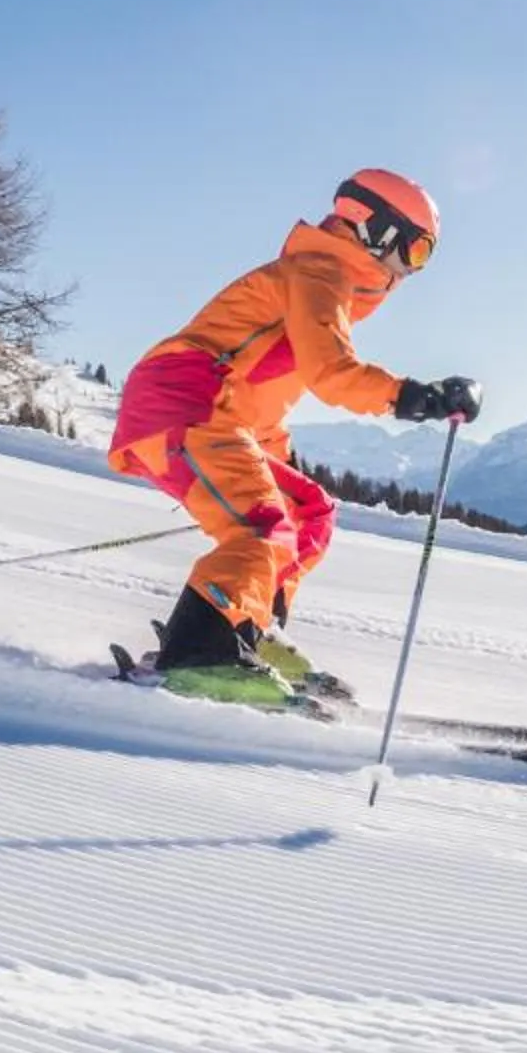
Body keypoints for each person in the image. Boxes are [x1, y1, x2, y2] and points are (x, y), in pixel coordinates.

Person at [106, 168, 482, 702]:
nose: (411, 271)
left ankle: (248, 630)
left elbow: (259, 394)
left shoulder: (327, 281)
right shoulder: (318, 272)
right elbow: (332, 373)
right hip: (182, 405)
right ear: (377, 230)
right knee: (263, 528)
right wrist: (417, 397)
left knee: (308, 512)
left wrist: (273, 464)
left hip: (215, 413)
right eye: (416, 251)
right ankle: (198, 655)